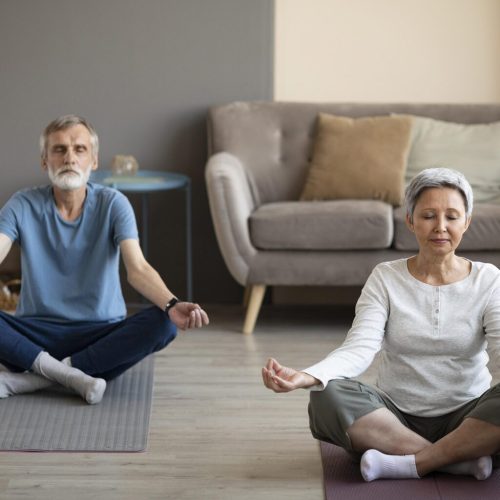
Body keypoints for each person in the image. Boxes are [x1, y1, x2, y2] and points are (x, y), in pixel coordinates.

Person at [262, 167, 500, 482]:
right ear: (410, 220)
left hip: (468, 415)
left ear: (466, 222)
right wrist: (308, 375)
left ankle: (412, 462)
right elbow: (360, 347)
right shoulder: (385, 278)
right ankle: (456, 459)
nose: (440, 227)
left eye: (452, 216)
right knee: (326, 393)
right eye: (428, 215)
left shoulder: (489, 280)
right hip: (393, 418)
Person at [0, 114, 209, 405]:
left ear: (94, 161)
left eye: (79, 149)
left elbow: (138, 269)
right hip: (35, 334)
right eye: (59, 149)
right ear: (44, 161)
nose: (69, 158)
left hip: (98, 337)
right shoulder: (22, 204)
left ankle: (32, 380)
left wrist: (172, 304)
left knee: (164, 323)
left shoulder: (114, 204)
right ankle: (72, 375)